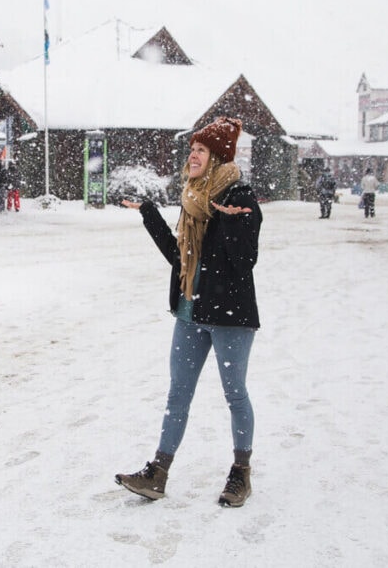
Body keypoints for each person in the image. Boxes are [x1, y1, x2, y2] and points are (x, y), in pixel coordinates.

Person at [116, 117, 261, 508]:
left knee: (235, 394)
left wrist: (232, 223)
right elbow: (180, 260)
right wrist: (149, 213)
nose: (192, 155)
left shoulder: (240, 196)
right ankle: (158, 472)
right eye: (191, 149)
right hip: (189, 313)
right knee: (177, 394)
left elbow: (245, 262)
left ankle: (240, 474)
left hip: (230, 316)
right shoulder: (193, 198)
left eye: (200, 150)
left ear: (217, 157)